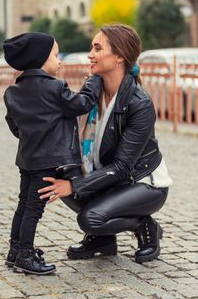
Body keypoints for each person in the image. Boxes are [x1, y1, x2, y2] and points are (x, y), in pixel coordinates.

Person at [38, 24, 172, 264]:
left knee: (89, 217)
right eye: (91, 47)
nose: (90, 54)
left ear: (119, 56)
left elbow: (122, 167)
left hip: (141, 182)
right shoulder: (93, 89)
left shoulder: (139, 104)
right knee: (53, 175)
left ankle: (145, 225)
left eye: (97, 48)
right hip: (108, 178)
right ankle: (103, 240)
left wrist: (75, 185)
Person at [3, 32, 101, 275]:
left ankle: (15, 251)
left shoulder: (12, 92)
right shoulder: (55, 88)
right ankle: (25, 255)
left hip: (27, 158)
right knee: (34, 209)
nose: (59, 61)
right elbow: (81, 104)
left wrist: (32, 138)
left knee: (23, 204)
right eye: (56, 55)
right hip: (47, 162)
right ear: (40, 59)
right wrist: (93, 82)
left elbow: (14, 125)